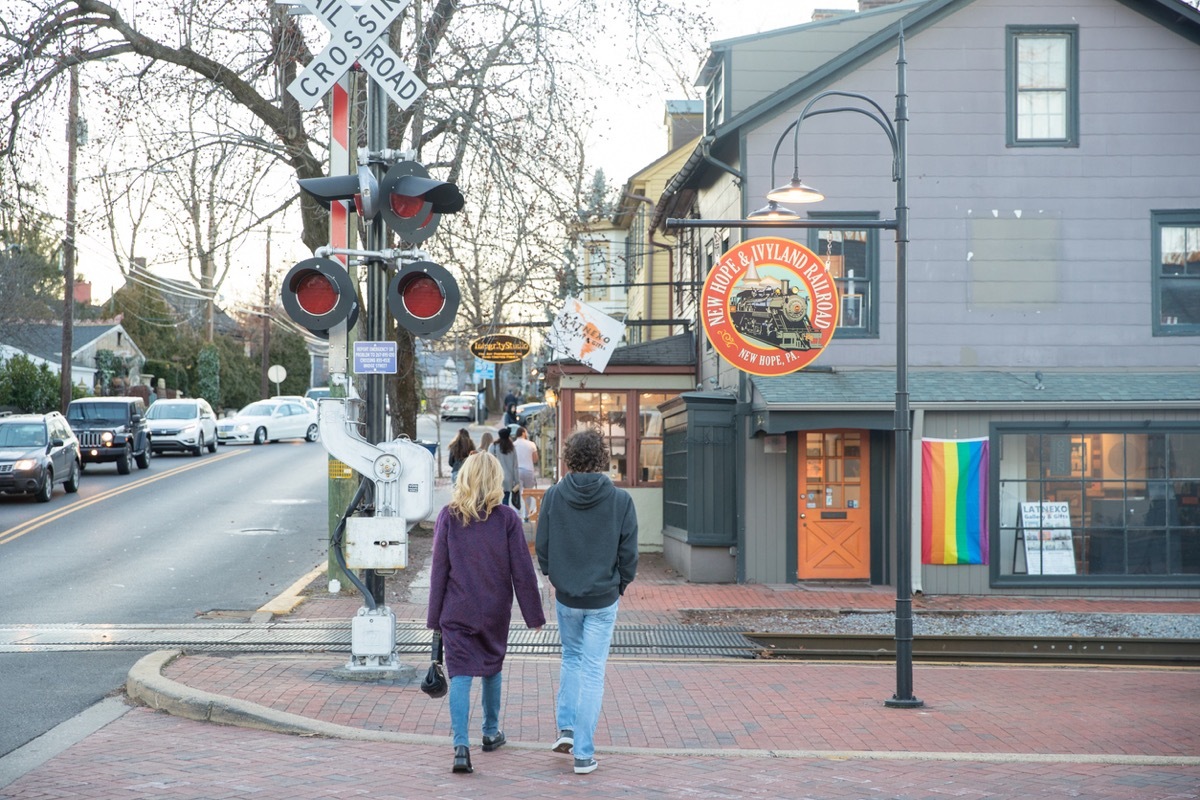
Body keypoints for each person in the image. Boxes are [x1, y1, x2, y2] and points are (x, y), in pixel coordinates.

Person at [427, 452, 546, 775]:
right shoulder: (507, 518)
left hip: (457, 609)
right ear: (496, 480)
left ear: (463, 478)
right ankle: (491, 732)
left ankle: (461, 747)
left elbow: (439, 570)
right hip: (495, 609)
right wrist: (533, 616)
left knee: (461, 674)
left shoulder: (449, 516)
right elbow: (522, 570)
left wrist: (433, 618)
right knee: (492, 667)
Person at [535, 428, 638, 775]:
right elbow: (629, 554)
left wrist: (555, 576)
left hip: (567, 596)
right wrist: (620, 585)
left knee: (572, 659)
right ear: (602, 458)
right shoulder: (621, 501)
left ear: (569, 458)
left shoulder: (553, 496)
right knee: (593, 670)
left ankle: (566, 729)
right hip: (603, 597)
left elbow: (543, 546)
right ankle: (583, 753)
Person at [488, 427, 521, 511]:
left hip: (496, 478)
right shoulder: (512, 448)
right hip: (508, 479)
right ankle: (505, 518)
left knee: (495, 500)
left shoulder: (493, 446)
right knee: (505, 499)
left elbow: (488, 462)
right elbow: (515, 466)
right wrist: (516, 481)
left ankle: (496, 518)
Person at [513, 425, 539, 492]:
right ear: (523, 433)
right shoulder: (531, 444)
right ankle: (527, 502)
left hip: (517, 470)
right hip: (528, 470)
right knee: (528, 491)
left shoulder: (513, 445)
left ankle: (520, 501)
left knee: (519, 491)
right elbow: (535, 459)